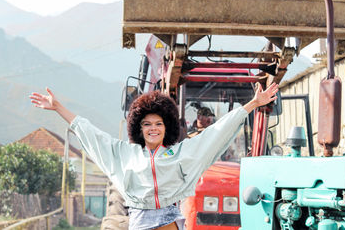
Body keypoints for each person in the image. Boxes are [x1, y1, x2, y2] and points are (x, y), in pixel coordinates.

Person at [29, 82, 279, 230]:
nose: (153, 129)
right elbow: (91, 134)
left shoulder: (180, 153)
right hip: (138, 224)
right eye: (147, 124)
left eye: (158, 124)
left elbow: (215, 133)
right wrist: (58, 108)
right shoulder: (124, 154)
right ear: (139, 127)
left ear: (166, 126)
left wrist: (251, 105)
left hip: (168, 225)